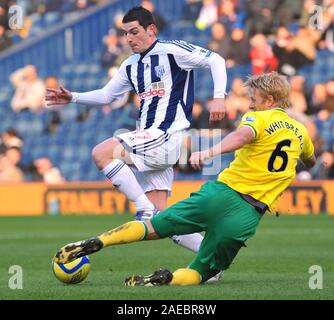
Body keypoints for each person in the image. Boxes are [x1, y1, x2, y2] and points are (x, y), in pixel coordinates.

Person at [54, 72, 316, 286]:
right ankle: (166, 280)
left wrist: (210, 151)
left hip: (220, 195)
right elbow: (311, 160)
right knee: (204, 274)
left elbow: (242, 136)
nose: (250, 104)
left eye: (254, 99)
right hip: (248, 215)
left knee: (153, 226)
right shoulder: (301, 132)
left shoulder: (257, 118)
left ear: (269, 100)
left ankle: (100, 241)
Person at [46, 6, 227, 267]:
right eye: (125, 33)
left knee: (101, 152)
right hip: (153, 141)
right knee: (163, 220)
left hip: (166, 135)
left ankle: (143, 208)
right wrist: (73, 97)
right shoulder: (130, 65)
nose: (129, 39)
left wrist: (219, 98)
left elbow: (216, 60)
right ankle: (212, 260)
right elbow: (107, 95)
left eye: (134, 32)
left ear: (151, 30)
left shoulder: (172, 51)